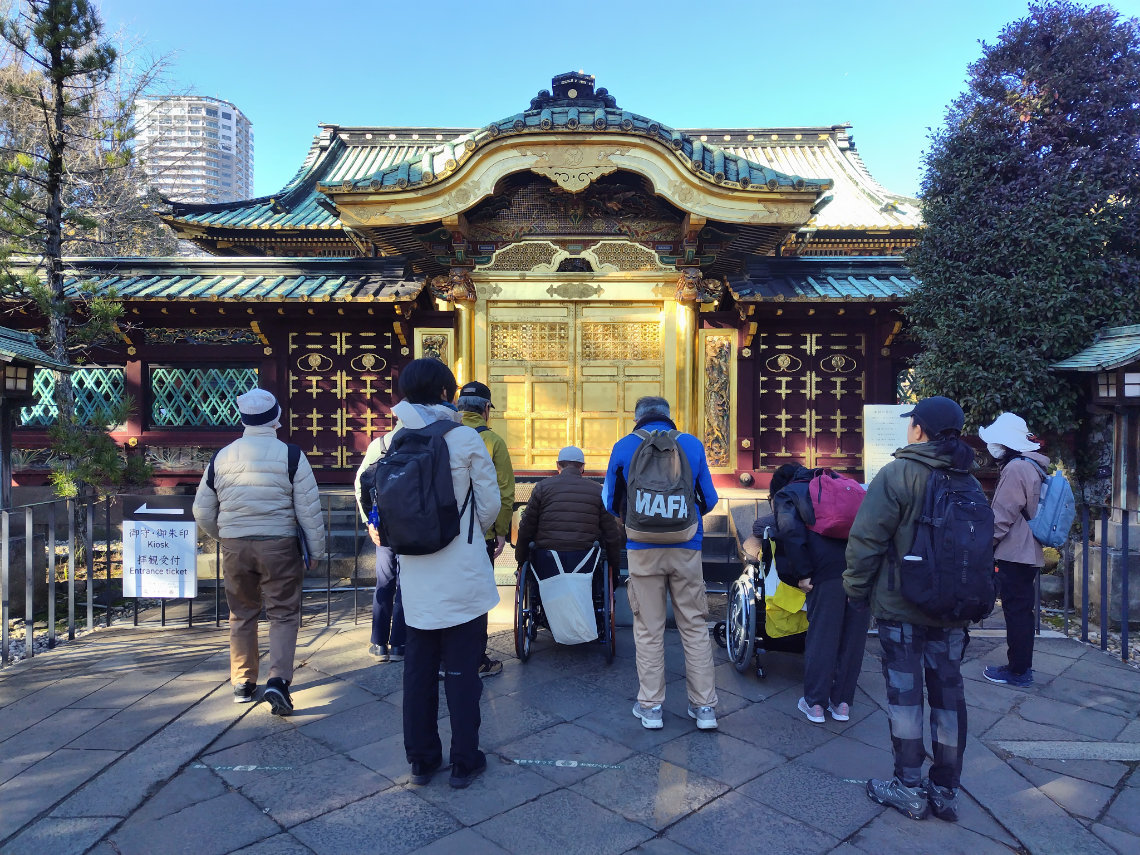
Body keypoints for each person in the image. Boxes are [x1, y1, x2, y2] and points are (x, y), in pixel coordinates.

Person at [843, 395, 977, 822]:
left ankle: (908, 786)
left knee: (905, 698)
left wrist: (856, 590)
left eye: (912, 423)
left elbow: (867, 541)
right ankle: (945, 789)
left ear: (919, 429)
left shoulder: (897, 474)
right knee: (949, 695)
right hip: (954, 609)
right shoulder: (968, 480)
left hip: (901, 607)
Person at [373, 358, 500, 789]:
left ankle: (422, 759)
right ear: (447, 394)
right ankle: (465, 760)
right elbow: (490, 504)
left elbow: (378, 501)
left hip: (416, 572)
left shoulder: (393, 439)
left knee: (418, 671)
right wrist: (466, 531)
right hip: (461, 570)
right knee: (463, 671)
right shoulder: (463, 437)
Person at [193, 388, 326, 716]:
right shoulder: (291, 455)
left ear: (243, 419)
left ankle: (242, 682)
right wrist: (317, 551)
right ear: (276, 418)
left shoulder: (221, 457)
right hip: (278, 544)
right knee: (282, 612)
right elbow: (309, 510)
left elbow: (202, 510)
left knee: (241, 612)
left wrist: (223, 536)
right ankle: (278, 680)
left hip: (235, 545)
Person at [602, 396, 719, 731]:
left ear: (638, 418)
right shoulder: (692, 445)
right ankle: (705, 708)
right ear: (670, 417)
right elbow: (709, 498)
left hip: (642, 549)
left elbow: (610, 500)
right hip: (686, 547)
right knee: (694, 627)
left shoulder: (624, 446)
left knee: (649, 629)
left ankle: (651, 707)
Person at [755, 463, 868, 725]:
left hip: (825, 572)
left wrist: (803, 573)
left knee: (823, 635)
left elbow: (791, 532)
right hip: (861, 567)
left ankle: (816, 703)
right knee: (853, 637)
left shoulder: (788, 494)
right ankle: (842, 704)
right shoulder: (842, 484)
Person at [978, 412, 1047, 689]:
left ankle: (1018, 671)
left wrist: (986, 544)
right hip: (1027, 549)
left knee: (1016, 612)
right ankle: (1020, 667)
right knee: (1022, 611)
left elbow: (1002, 514)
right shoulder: (1031, 464)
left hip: (1015, 551)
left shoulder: (1016, 468)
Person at [457, 379, 514, 679]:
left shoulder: (443, 436)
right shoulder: (492, 441)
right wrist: (500, 530)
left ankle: (446, 659)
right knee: (477, 597)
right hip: (481, 533)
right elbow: (504, 492)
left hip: (444, 533)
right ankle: (476, 658)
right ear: (486, 410)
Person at [515, 445, 624, 585]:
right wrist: (614, 567)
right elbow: (611, 534)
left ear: (558, 466)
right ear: (582, 467)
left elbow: (526, 528)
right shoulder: (597, 490)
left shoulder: (542, 488)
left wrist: (521, 559)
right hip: (585, 562)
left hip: (547, 562)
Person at [354, 427, 407, 664]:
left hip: (383, 525)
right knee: (406, 582)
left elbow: (361, 482)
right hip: (411, 525)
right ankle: (399, 643)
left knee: (384, 581)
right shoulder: (426, 439)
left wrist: (369, 522)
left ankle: (378, 643)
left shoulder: (380, 444)